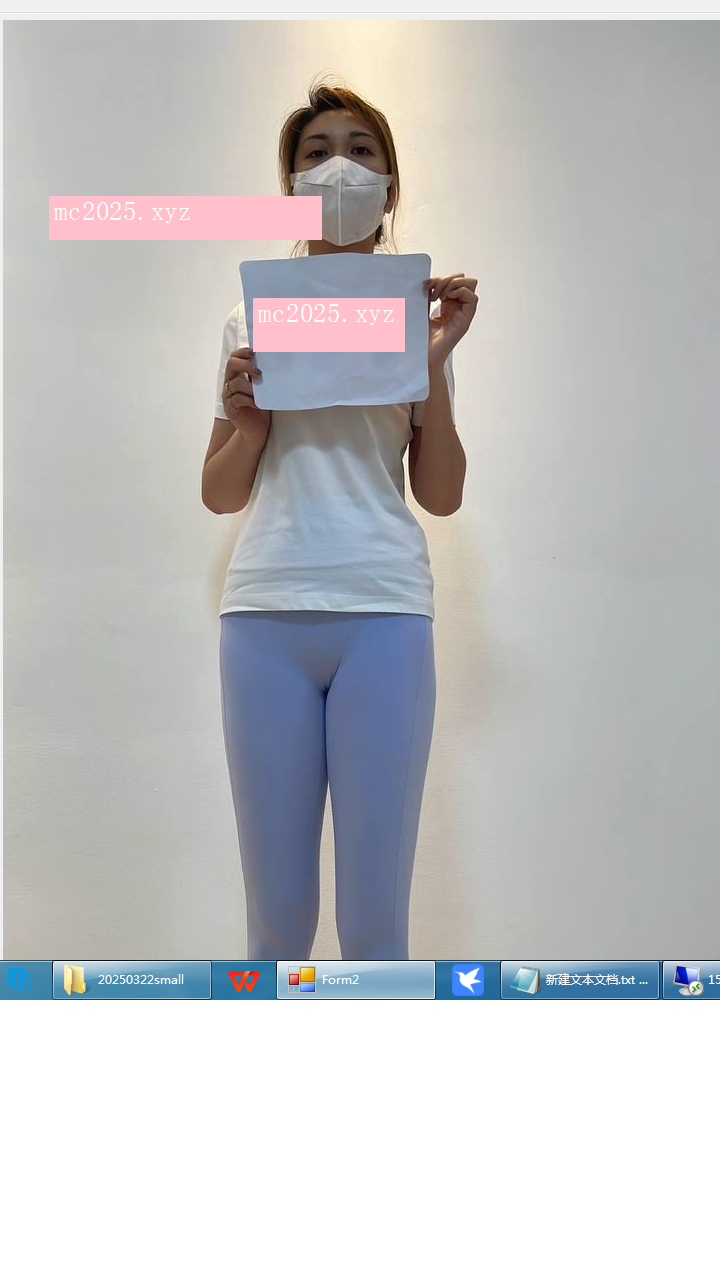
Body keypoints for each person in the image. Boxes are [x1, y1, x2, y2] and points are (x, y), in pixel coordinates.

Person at [202, 78, 479, 960]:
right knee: (277, 921)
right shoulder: (249, 317)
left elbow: (440, 494)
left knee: (372, 924)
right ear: (289, 185)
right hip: (265, 611)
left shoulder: (414, 327)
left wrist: (434, 361)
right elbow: (219, 492)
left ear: (390, 188)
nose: (339, 169)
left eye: (362, 151)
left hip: (384, 609)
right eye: (316, 152)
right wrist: (249, 425)